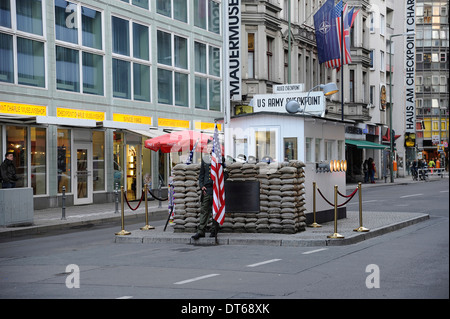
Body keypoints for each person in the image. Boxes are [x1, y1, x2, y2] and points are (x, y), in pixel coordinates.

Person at [192, 140, 219, 240]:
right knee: (204, 211)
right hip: (207, 189)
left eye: (211, 147)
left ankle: (214, 230)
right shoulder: (205, 159)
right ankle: (201, 231)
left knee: (215, 211)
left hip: (216, 189)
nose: (209, 149)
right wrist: (201, 185)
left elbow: (223, 174)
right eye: (208, 147)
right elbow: (201, 175)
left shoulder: (219, 158)